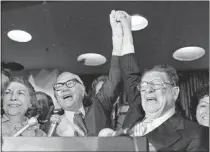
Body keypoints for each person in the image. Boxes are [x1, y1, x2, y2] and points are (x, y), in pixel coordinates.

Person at [103, 10, 208, 151]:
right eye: (144, 86)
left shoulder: (197, 133)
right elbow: (130, 73)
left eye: (157, 84)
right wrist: (123, 31)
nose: (149, 89)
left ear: (175, 92)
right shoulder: (136, 111)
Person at [50, 12, 122, 136]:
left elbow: (115, 77)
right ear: (56, 97)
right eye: (59, 86)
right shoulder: (53, 126)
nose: (64, 88)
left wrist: (118, 35)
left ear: (83, 89)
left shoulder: (99, 107)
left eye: (70, 83)